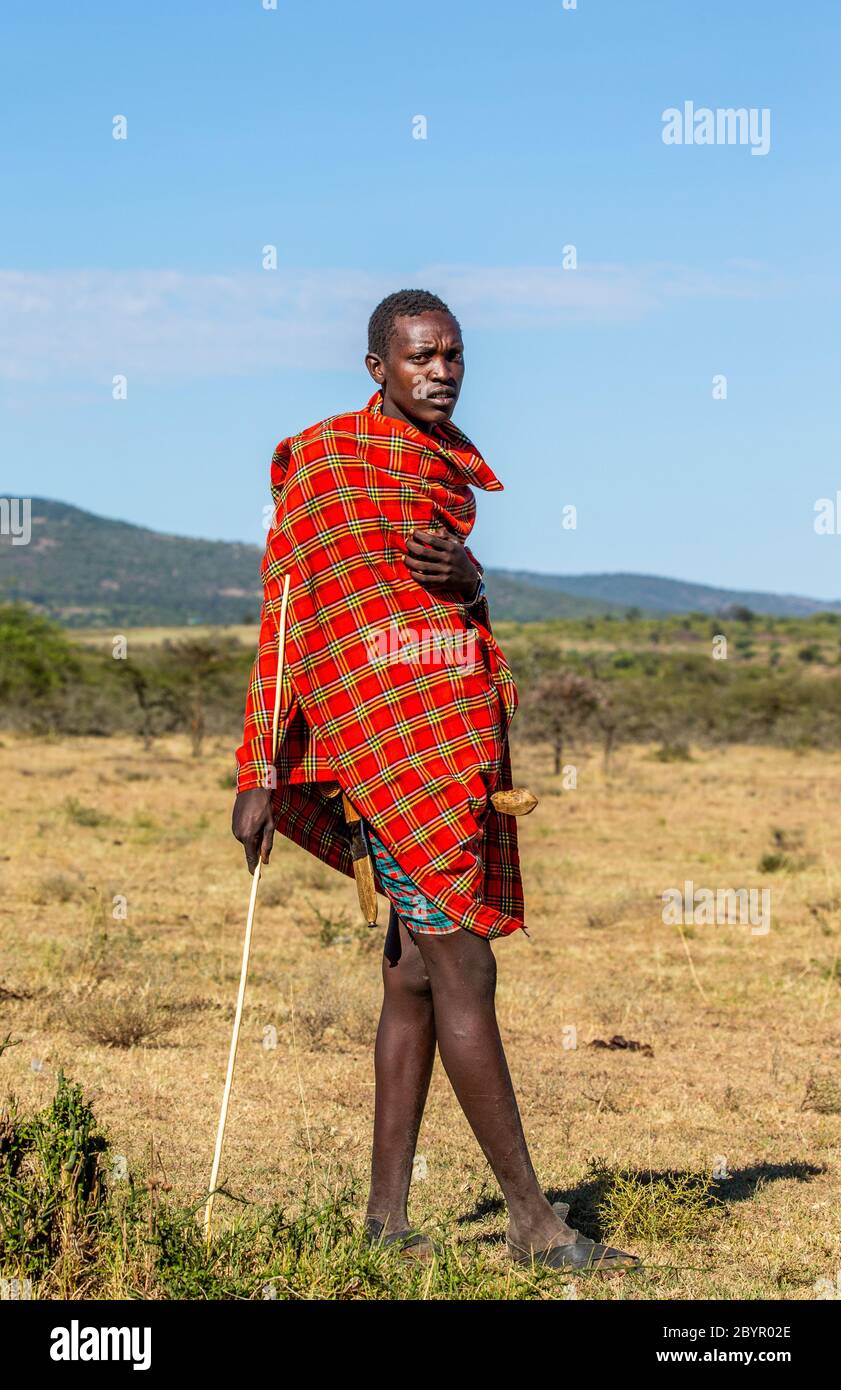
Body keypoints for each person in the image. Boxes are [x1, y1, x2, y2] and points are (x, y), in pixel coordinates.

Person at [232, 289, 638, 1271]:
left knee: (413, 978)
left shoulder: (446, 472)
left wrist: (474, 580)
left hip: (450, 746)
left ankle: (383, 1224)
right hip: (378, 752)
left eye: (454, 354)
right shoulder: (327, 466)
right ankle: (533, 1223)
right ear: (378, 366)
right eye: (420, 356)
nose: (442, 371)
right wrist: (259, 763)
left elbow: (451, 598)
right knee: (465, 969)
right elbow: (287, 612)